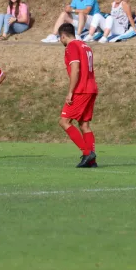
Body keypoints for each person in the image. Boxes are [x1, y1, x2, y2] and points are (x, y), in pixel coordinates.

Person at [57, 23, 98, 168]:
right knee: (84, 124)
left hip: (81, 89)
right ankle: (91, 161)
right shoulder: (85, 46)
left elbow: (76, 69)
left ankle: (87, 153)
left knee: (64, 121)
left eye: (59, 38)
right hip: (92, 88)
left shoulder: (72, 46)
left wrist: (70, 92)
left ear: (63, 35)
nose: (60, 41)